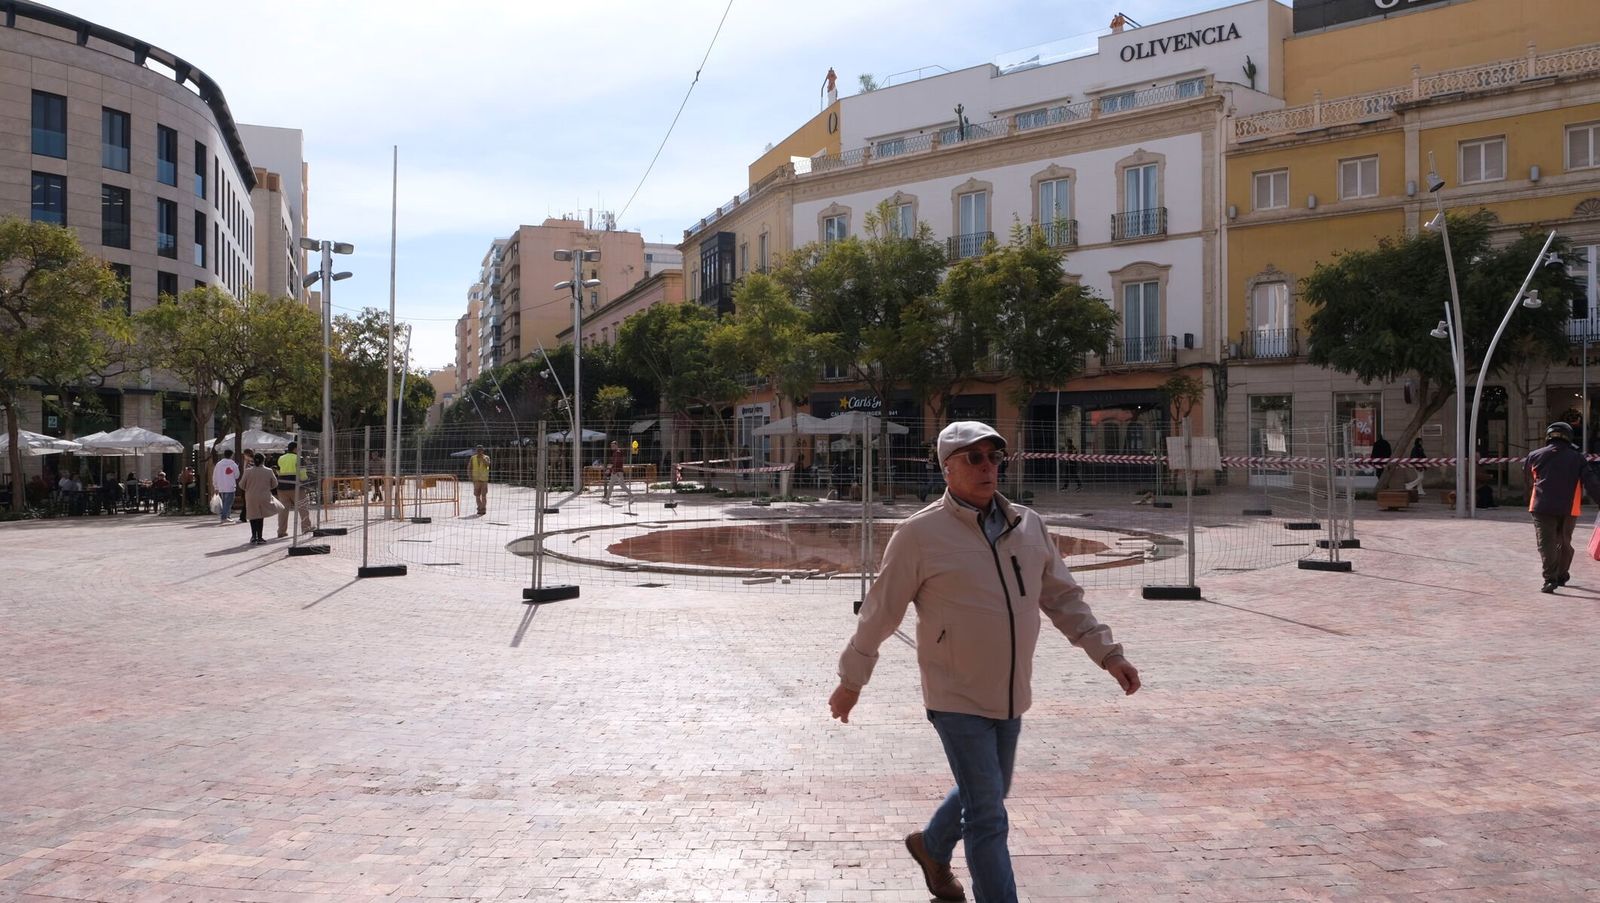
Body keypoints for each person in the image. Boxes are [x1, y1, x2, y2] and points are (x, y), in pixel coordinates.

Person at [828, 421, 1141, 902]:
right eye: (973, 458)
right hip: (954, 694)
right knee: (988, 816)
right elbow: (880, 612)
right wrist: (852, 681)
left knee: (990, 790)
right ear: (946, 468)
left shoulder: (1028, 525)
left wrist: (1107, 653)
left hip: (1011, 693)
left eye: (994, 457)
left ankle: (931, 846)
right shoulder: (919, 534)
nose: (987, 467)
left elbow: (1063, 598)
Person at [1523, 421, 1600, 593]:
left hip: (1541, 506)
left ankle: (1550, 579)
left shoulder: (1534, 455)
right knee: (1564, 542)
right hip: (1569, 508)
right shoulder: (1577, 458)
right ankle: (1561, 574)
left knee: (1546, 543)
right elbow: (1592, 483)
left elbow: (1527, 477)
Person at [238, 453, 278, 545]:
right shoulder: (268, 471)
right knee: (260, 516)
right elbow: (275, 484)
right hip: (264, 495)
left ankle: (253, 536)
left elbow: (241, 485)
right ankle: (260, 537)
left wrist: (249, 488)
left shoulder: (248, 471)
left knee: (253, 516)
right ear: (263, 461)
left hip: (251, 496)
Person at [274, 440, 312, 537]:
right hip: (296, 486)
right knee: (303, 508)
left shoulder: (281, 458)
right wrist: (306, 482)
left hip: (282, 487)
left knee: (283, 510)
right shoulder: (299, 458)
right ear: (295, 449)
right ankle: (306, 528)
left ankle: (281, 531)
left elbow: (278, 471)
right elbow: (302, 473)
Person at [212, 448, 240, 525]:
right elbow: (237, 476)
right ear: (231, 455)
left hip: (221, 486)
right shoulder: (233, 465)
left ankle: (228, 516)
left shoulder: (218, 464)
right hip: (230, 486)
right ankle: (224, 517)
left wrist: (216, 486)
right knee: (228, 503)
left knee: (225, 502)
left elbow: (214, 475)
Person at [468, 446, 490, 515]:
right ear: (476, 451)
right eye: (478, 450)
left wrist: (484, 460)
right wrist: (469, 475)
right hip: (476, 479)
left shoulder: (486, 457)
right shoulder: (472, 458)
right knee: (477, 495)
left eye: (480, 450)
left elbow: (488, 466)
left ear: (483, 451)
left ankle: (483, 509)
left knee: (484, 495)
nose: (479, 452)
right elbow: (469, 467)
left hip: (484, 479)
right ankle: (480, 508)